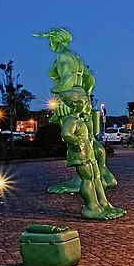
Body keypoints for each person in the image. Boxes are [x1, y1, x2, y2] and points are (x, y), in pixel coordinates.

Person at [34, 27, 117, 191]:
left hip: (70, 99)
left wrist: (64, 99)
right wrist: (85, 94)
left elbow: (68, 77)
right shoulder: (76, 57)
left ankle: (81, 181)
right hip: (82, 98)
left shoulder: (63, 56)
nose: (49, 43)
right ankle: (105, 176)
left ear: (56, 40)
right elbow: (90, 78)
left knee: (75, 139)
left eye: (50, 40)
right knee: (90, 139)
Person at [57, 88, 125, 220]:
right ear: (74, 104)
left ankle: (103, 203)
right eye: (83, 102)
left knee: (96, 177)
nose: (85, 105)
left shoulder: (79, 119)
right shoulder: (72, 121)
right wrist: (77, 143)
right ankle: (91, 207)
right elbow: (66, 134)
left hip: (88, 154)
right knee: (88, 179)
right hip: (81, 156)